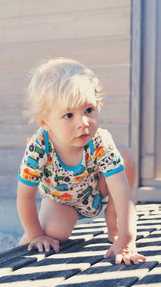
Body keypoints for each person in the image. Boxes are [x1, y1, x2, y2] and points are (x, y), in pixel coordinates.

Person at [16, 57, 145, 265]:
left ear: (97, 104)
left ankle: (112, 218)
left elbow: (123, 192)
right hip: (60, 200)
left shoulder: (100, 140)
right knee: (52, 233)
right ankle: (20, 248)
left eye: (88, 110)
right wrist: (36, 235)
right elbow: (25, 196)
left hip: (95, 189)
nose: (83, 123)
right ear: (45, 122)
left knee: (126, 157)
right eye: (69, 115)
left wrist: (127, 240)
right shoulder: (39, 147)